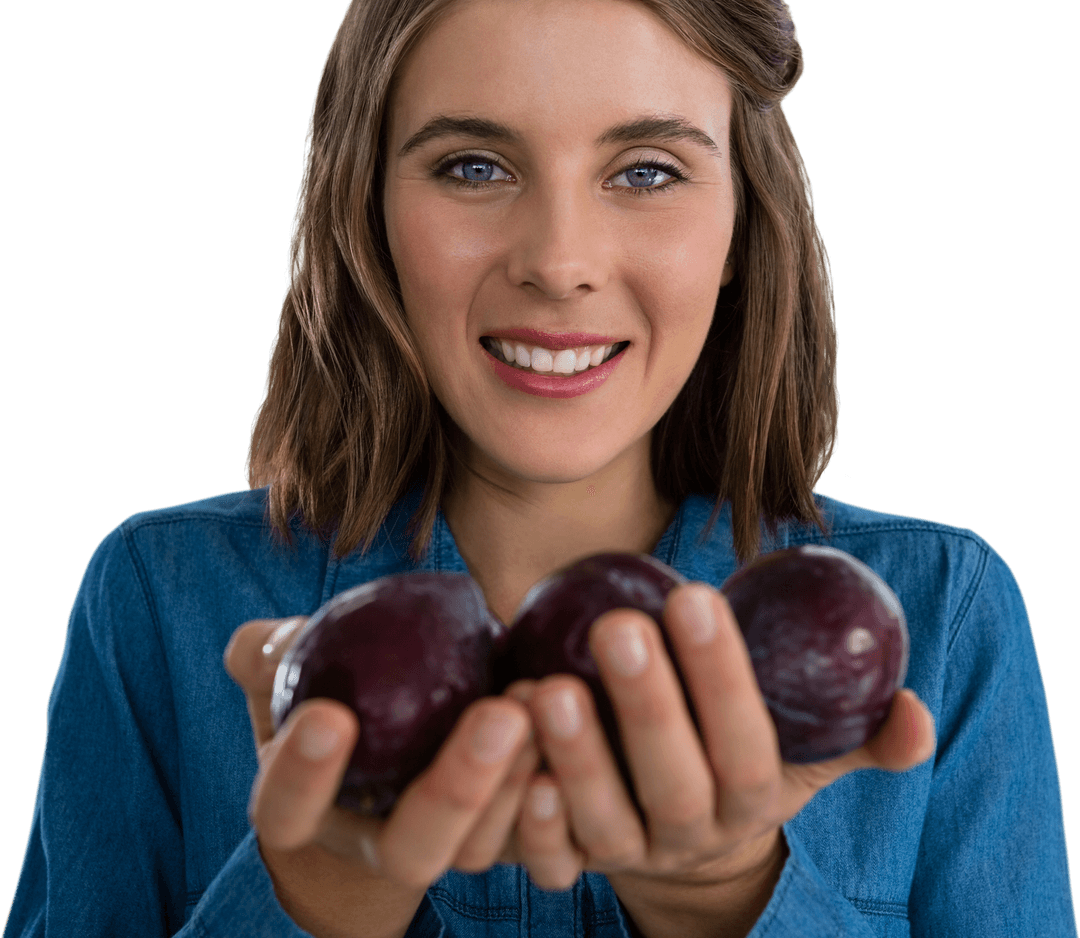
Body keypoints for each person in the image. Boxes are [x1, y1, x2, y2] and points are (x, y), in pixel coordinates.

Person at [5, 0, 1076, 935]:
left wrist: (726, 897)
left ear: (744, 222)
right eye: (474, 165)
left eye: (647, 170)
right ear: (365, 209)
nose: (559, 260)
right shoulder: (158, 601)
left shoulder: (941, 614)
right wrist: (316, 901)